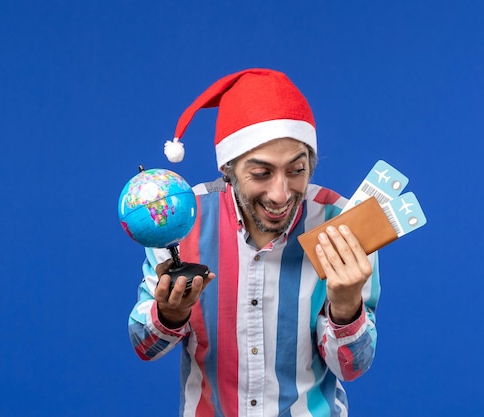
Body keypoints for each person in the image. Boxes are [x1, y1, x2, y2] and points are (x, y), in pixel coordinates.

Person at [128, 68, 381, 417]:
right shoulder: (179, 220)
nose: (280, 194)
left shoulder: (341, 224)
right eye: (261, 173)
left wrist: (347, 308)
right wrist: (170, 315)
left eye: (297, 170)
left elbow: (352, 368)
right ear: (228, 168)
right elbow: (144, 346)